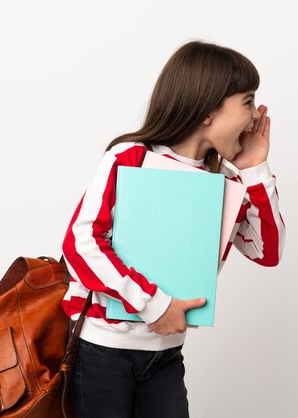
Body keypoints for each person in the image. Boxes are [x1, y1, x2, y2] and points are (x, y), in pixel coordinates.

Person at [61, 40, 286, 418]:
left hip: (164, 356)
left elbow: (267, 252)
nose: (255, 117)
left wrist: (254, 170)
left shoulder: (229, 183)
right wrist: (155, 304)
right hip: (102, 351)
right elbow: (81, 244)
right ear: (208, 110)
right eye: (247, 102)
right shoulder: (131, 157)